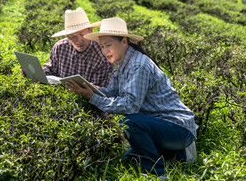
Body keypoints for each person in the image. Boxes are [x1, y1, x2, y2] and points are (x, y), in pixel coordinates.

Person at [64, 17, 198, 176]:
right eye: (102, 47)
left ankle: (158, 174)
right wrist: (94, 89)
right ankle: (178, 155)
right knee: (128, 160)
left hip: (178, 129)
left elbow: (130, 106)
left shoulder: (138, 65)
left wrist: (93, 97)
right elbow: (113, 92)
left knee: (127, 121)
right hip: (162, 127)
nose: (105, 51)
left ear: (124, 42)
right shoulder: (123, 64)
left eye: (108, 45)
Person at [42, 7, 114, 87]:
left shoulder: (103, 54)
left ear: (90, 30)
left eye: (82, 34)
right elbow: (51, 67)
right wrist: (37, 72)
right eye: (72, 36)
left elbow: (99, 91)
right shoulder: (60, 47)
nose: (78, 41)